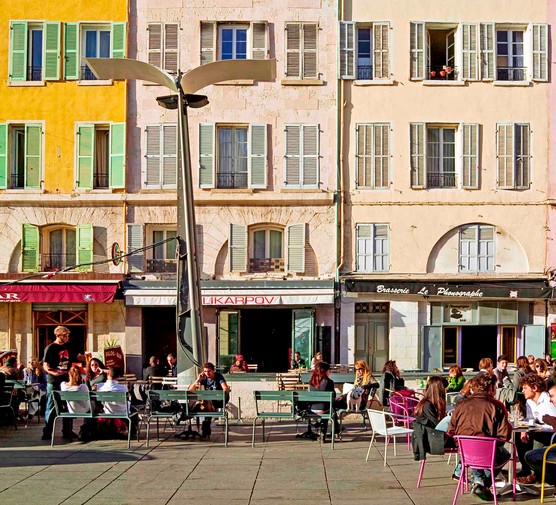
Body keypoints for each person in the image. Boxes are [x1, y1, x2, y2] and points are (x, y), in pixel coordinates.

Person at [448, 373, 512, 500]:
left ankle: (479, 482)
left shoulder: (461, 405)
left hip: (464, 453)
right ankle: (482, 484)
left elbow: (451, 431)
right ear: (490, 388)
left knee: (489, 450)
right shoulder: (496, 406)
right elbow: (504, 435)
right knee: (504, 454)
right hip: (486, 451)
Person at [42, 326, 85, 441]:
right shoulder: (50, 348)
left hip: (67, 381)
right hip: (54, 381)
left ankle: (67, 431)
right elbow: (45, 366)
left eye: (68, 336)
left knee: (68, 405)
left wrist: (86, 357)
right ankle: (47, 432)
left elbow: (78, 357)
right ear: (58, 336)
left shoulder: (69, 346)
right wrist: (53, 372)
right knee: (51, 406)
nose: (67, 338)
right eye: (65, 336)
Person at [514, 373, 556, 484]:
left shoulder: (549, 401)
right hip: (539, 430)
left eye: (525, 388)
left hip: (550, 434)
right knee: (520, 435)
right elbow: (529, 419)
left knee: (536, 436)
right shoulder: (529, 402)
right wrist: (524, 429)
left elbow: (553, 425)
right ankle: (527, 469)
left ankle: (537, 474)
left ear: (535, 388)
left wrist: (536, 428)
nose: (522, 391)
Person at [188, 362, 230, 439]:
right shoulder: (203, 378)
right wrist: (198, 379)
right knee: (206, 403)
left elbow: (225, 388)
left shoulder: (218, 376)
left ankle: (205, 429)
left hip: (218, 401)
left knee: (205, 403)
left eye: (209, 371)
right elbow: (190, 390)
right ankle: (205, 429)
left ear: (213, 370)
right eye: (205, 371)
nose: (207, 373)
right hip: (206, 402)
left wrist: (224, 390)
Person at [412, 376, 449, 461]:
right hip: (431, 437)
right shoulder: (427, 405)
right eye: (444, 388)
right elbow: (437, 423)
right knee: (449, 419)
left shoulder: (429, 403)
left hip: (432, 433)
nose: (446, 391)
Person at [98, 366, 137, 438]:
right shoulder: (123, 388)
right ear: (119, 376)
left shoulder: (101, 387)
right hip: (122, 412)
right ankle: (132, 432)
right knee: (133, 411)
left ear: (108, 374)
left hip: (108, 411)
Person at [308, 361, 337, 441]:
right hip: (324, 410)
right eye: (329, 370)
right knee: (331, 408)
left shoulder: (312, 382)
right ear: (325, 371)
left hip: (312, 410)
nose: (330, 371)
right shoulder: (329, 382)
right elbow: (333, 397)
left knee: (328, 407)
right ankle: (326, 432)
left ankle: (319, 429)